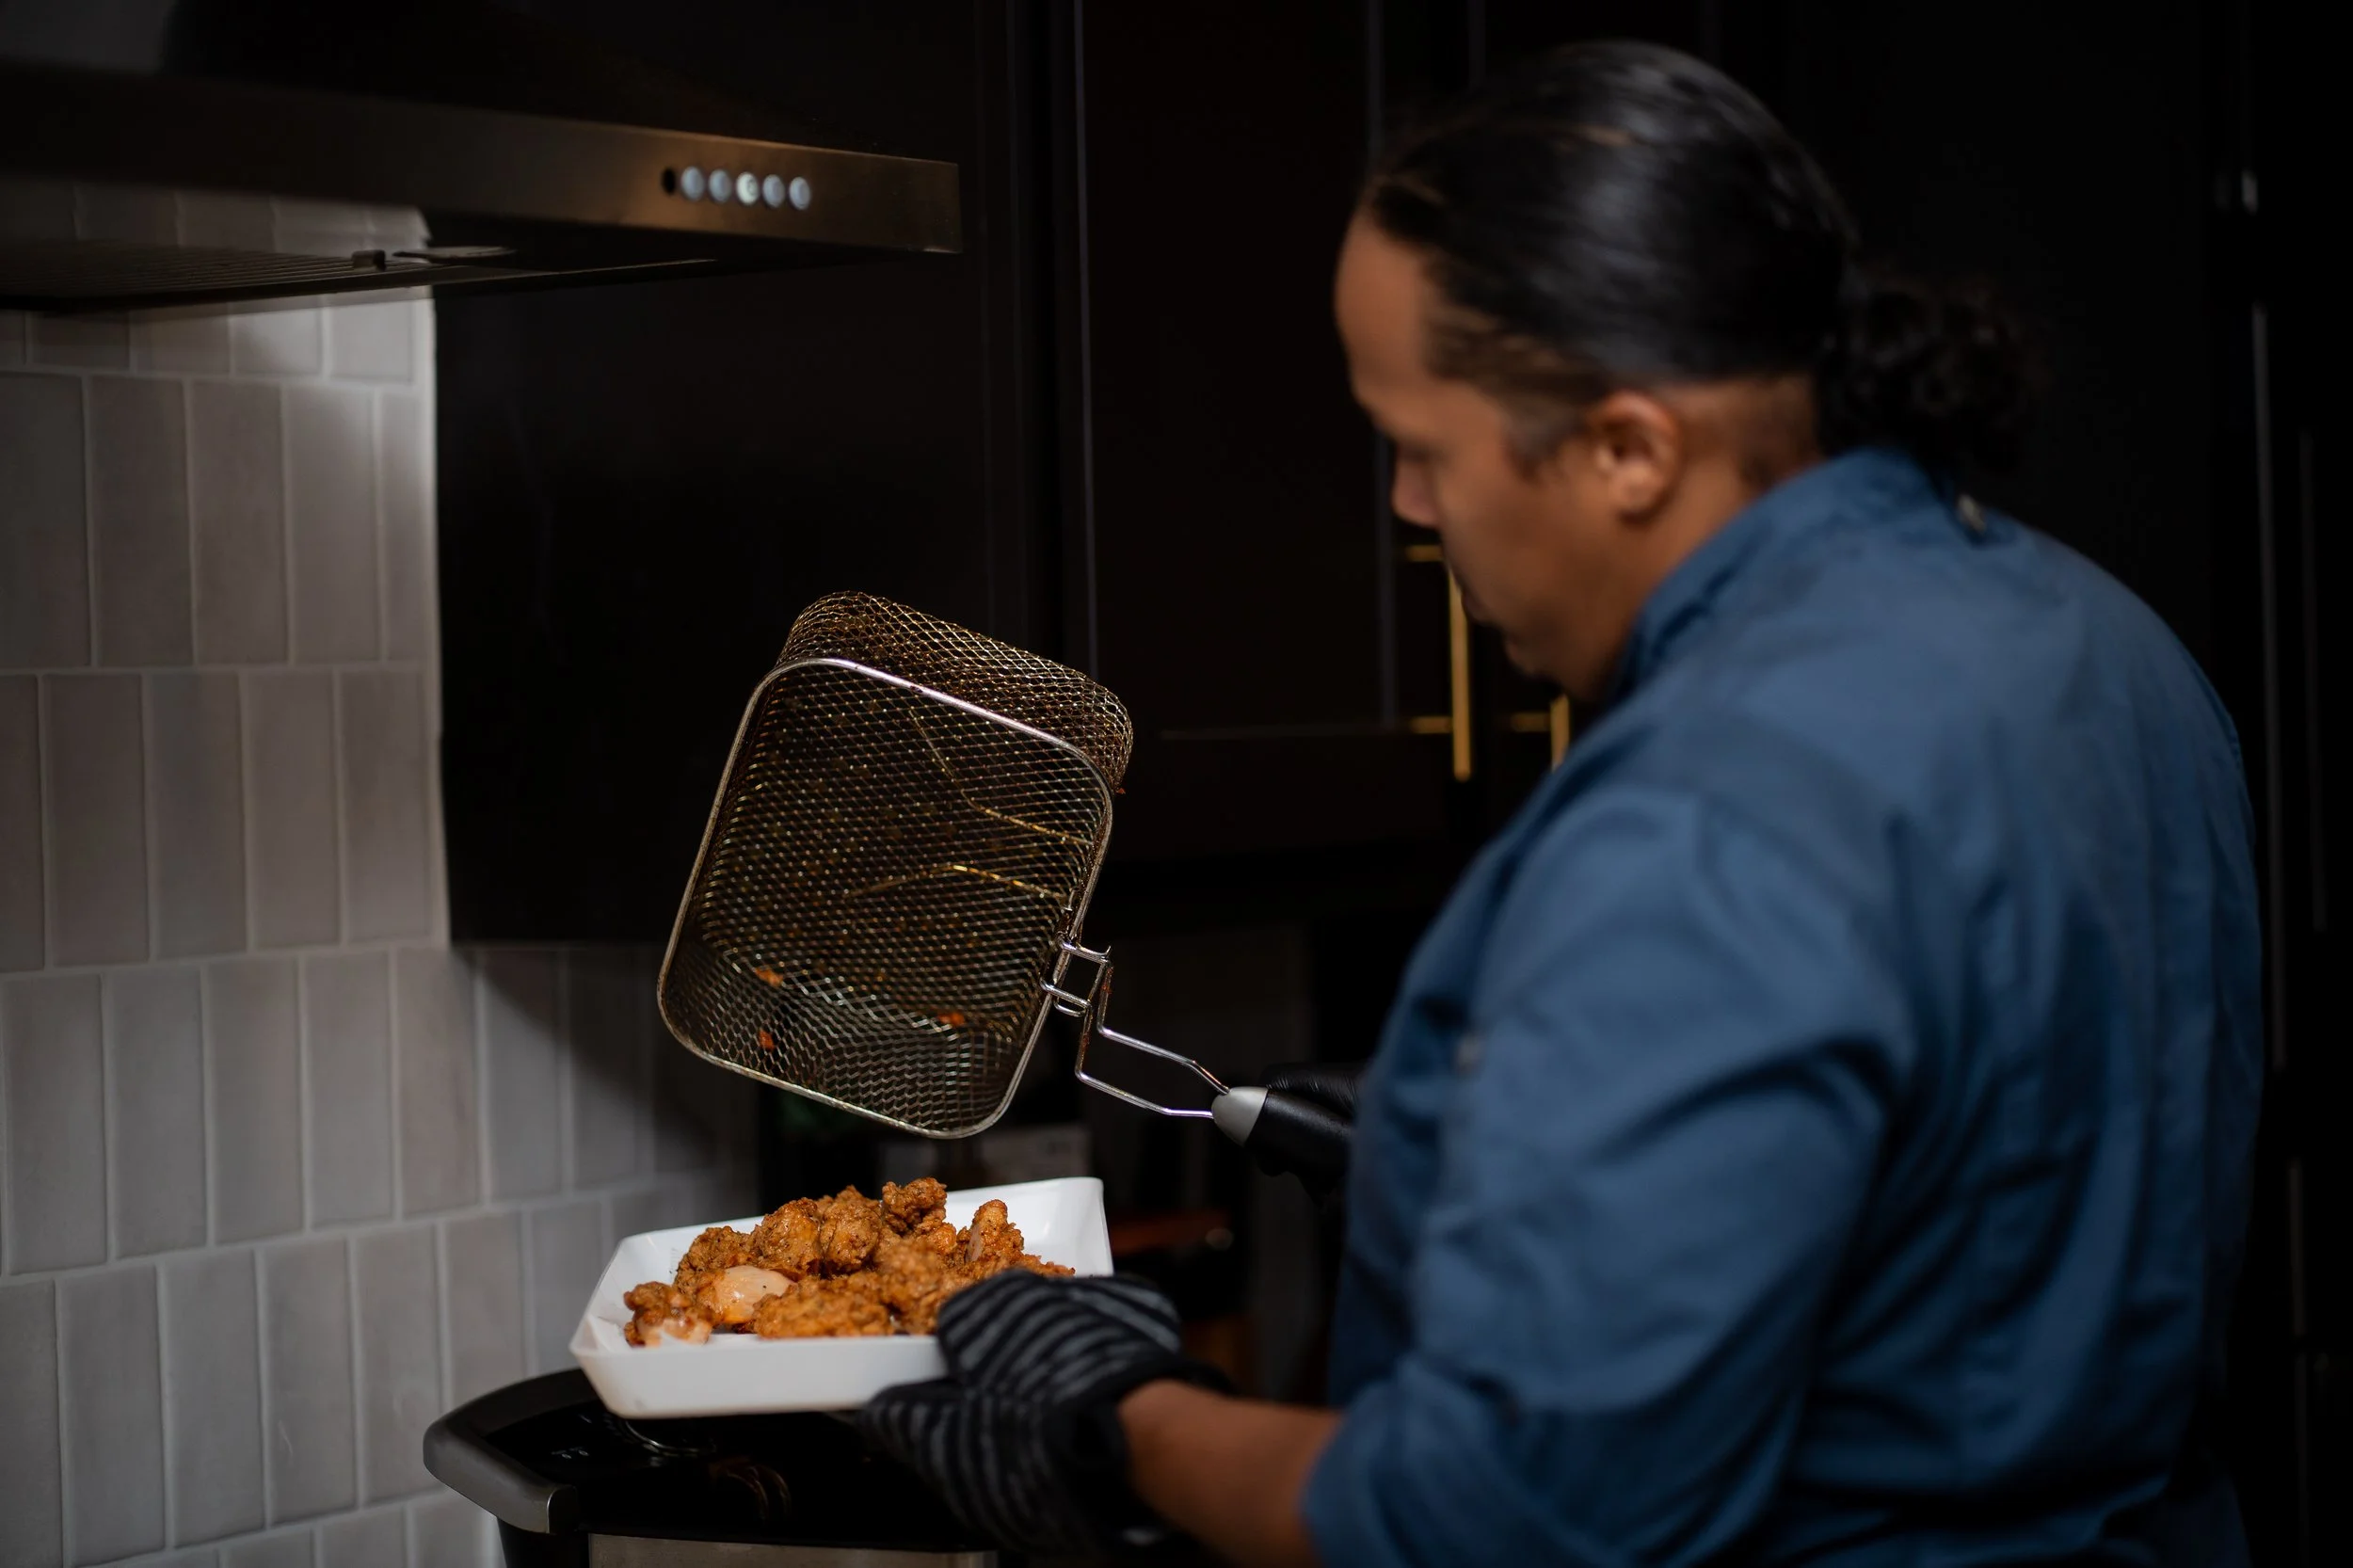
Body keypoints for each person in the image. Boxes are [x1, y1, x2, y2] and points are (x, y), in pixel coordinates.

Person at [861, 40, 2262, 1568]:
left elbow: (1494, 1519)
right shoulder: (2109, 645)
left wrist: (1121, 1409)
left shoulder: (1705, 808)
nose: (1407, 509)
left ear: (1628, 448)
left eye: (1422, 446)